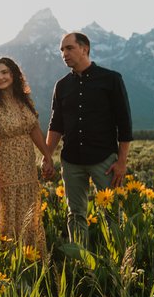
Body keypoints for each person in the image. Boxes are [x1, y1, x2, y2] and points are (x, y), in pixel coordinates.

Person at [46, 32, 133, 244]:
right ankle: (81, 262)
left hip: (104, 161)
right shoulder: (62, 85)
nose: (64, 54)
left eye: (69, 48)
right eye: (62, 50)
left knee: (112, 214)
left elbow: (124, 123)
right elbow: (56, 124)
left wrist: (121, 162)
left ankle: (119, 260)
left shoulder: (111, 79)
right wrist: (47, 156)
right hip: (71, 161)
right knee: (75, 214)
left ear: (84, 48)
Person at [0, 58, 56, 260]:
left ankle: (32, 260)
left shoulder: (24, 101)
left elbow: (34, 130)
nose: (0, 77)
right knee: (6, 216)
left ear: (13, 75)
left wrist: (47, 156)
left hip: (27, 167)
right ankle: (8, 262)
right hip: (5, 167)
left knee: (27, 213)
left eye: (4, 72)